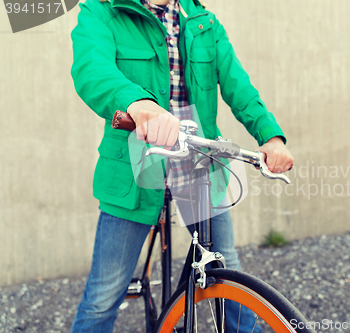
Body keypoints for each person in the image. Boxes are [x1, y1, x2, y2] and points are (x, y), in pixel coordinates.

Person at [69, 0, 294, 331]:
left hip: (199, 168)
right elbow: (91, 68)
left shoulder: (202, 19)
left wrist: (271, 136)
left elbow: (238, 84)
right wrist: (139, 103)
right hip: (134, 172)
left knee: (226, 273)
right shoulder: (102, 11)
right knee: (104, 295)